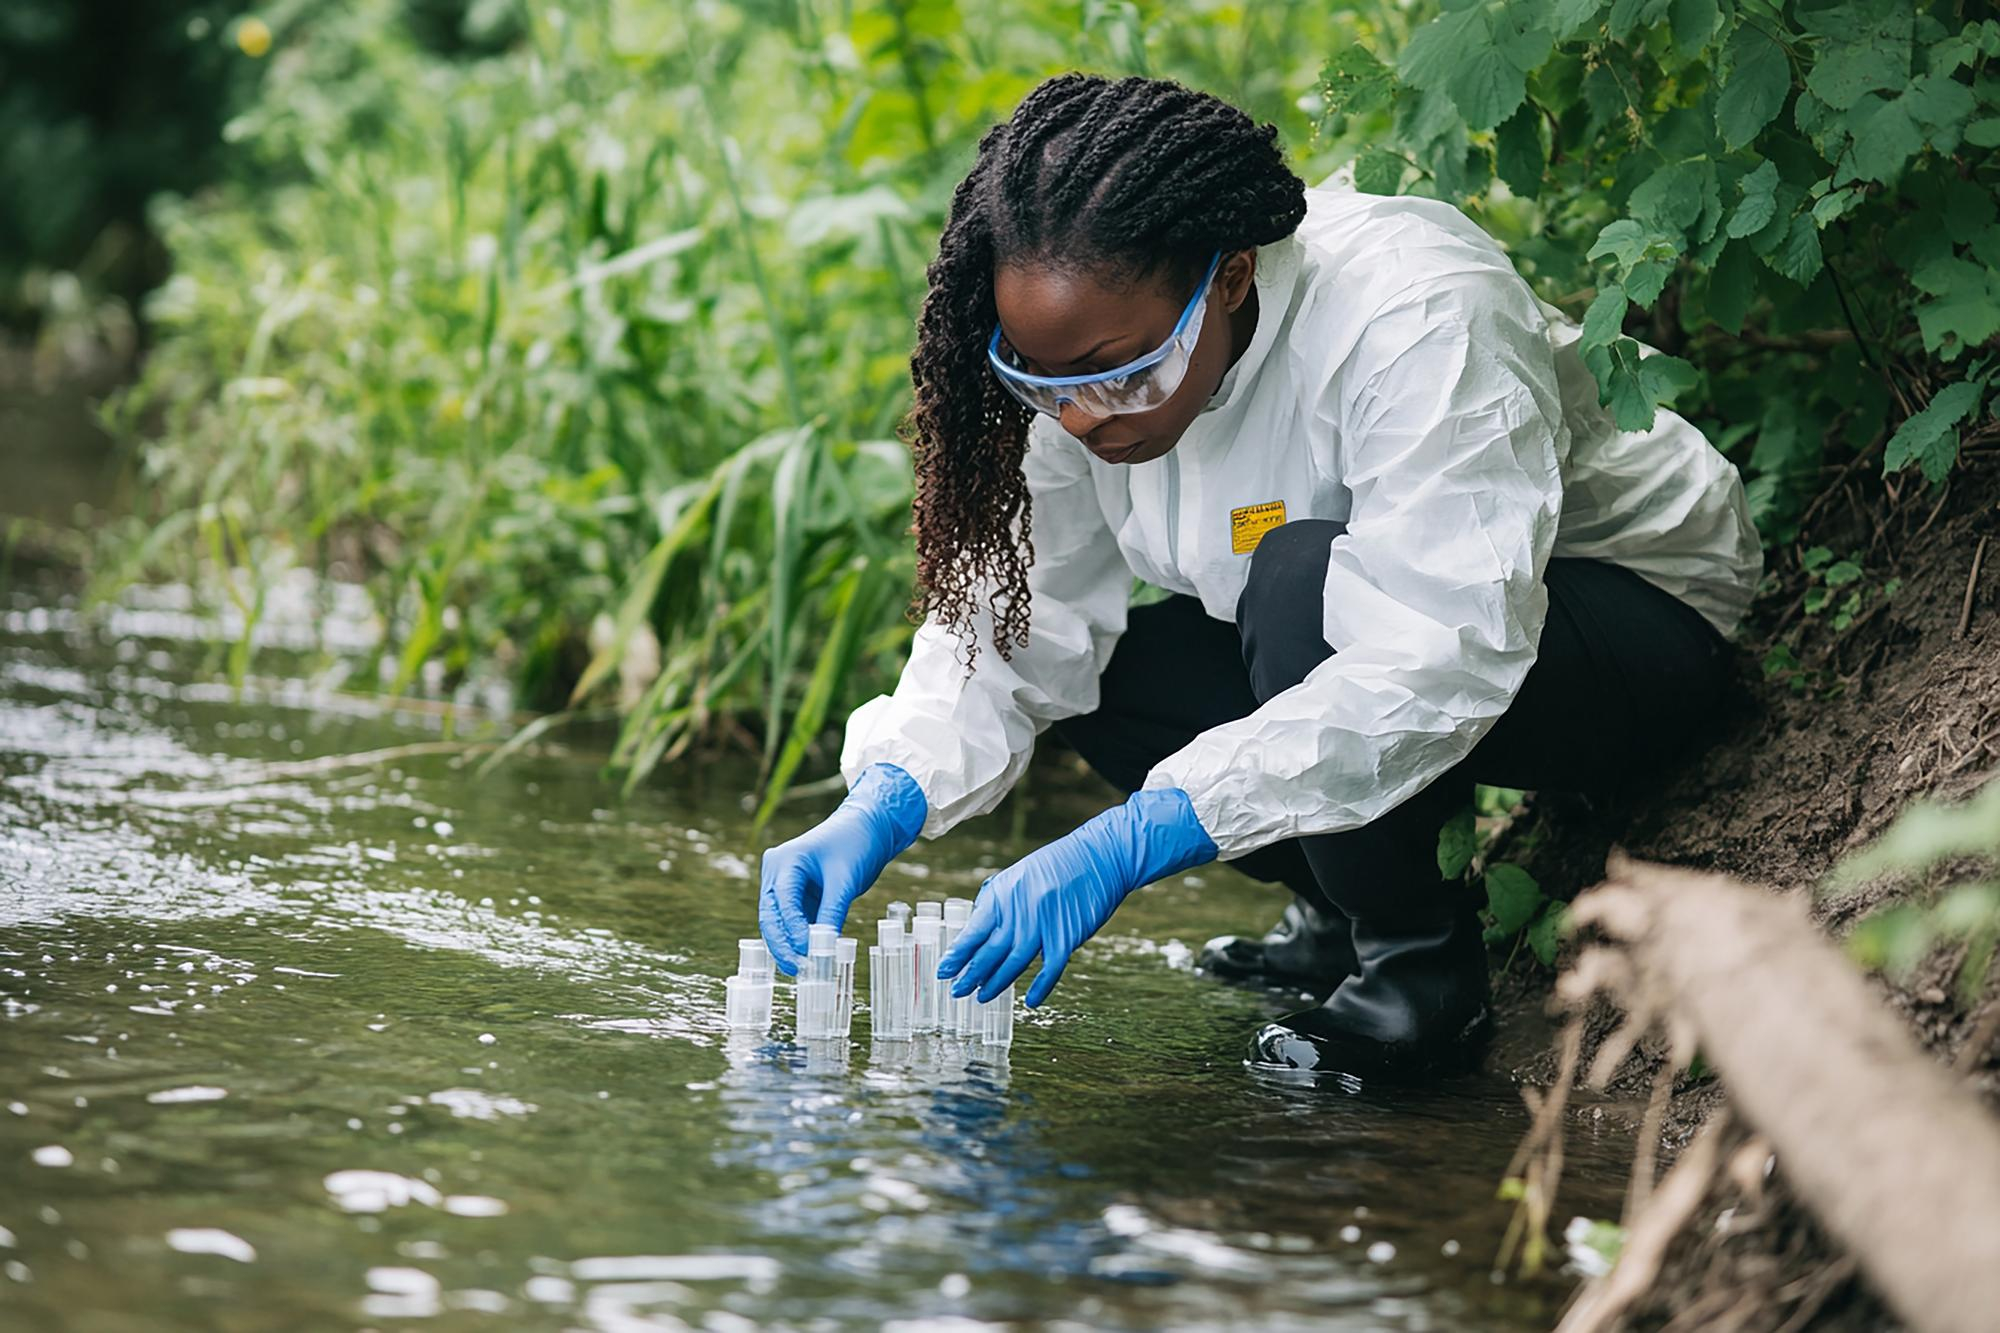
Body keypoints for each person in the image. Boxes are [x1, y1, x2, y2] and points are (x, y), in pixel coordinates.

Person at [757, 72, 1761, 1077]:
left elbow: (1441, 647)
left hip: (1628, 623)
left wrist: (1134, 837)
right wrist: (882, 797)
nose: (1083, 419)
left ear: (1230, 277)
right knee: (1111, 683)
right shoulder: (1082, 372)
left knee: (1294, 577)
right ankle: (1337, 908)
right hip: (1360, 624)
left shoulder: (1413, 313)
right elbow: (1021, 620)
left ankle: (1415, 978)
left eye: (1120, 374)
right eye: (1043, 387)